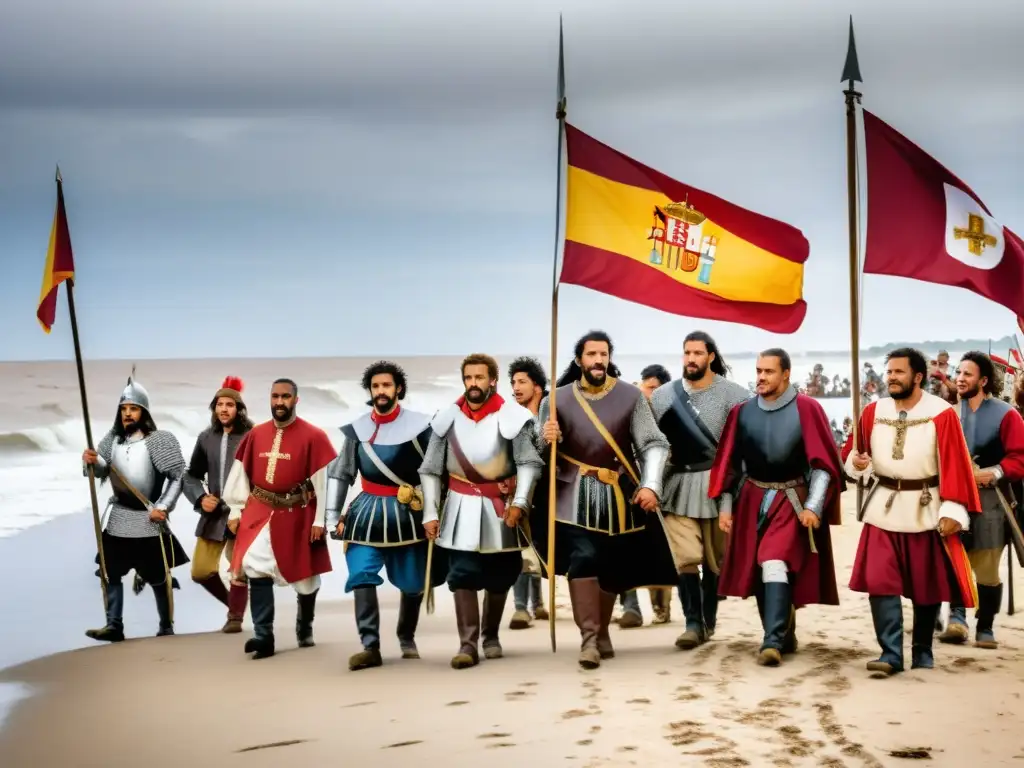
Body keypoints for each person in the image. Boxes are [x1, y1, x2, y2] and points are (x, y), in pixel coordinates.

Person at [538, 330, 675, 670]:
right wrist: (546, 439)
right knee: (583, 558)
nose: (598, 360)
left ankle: (600, 633)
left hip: (617, 495)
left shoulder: (630, 397)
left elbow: (654, 443)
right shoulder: (554, 400)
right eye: (591, 354)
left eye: (603, 354)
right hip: (571, 498)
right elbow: (539, 459)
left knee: (610, 566)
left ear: (609, 358)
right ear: (579, 360)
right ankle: (588, 639)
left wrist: (651, 484)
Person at [843, 348, 980, 676]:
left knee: (925, 585)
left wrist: (953, 509)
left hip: (924, 506)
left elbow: (955, 464)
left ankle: (922, 650)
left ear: (918, 377)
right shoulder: (872, 411)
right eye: (889, 372)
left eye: (899, 372)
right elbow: (855, 456)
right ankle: (890, 653)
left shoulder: (942, 413)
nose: (891, 377)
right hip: (882, 507)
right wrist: (858, 463)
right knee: (880, 581)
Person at [708, 348, 842, 667]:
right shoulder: (742, 412)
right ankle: (782, 633)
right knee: (758, 571)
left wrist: (813, 505)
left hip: (791, 498)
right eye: (758, 371)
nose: (761, 378)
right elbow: (732, 465)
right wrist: (726, 507)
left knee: (774, 561)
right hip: (751, 497)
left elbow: (823, 464)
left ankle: (772, 640)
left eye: (769, 372)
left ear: (786, 374)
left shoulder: (807, 408)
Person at [419, 353, 543, 669]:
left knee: (501, 576)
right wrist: (430, 513)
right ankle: (468, 643)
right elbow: (431, 469)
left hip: (499, 508)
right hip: (459, 508)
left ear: (492, 381)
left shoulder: (512, 416)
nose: (473, 384)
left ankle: (490, 636)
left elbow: (528, 464)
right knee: (462, 574)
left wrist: (519, 504)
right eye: (468, 378)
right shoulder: (446, 418)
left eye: (479, 378)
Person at [326, 361, 437, 670]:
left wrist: (431, 512)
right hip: (366, 512)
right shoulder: (357, 430)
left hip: (408, 513)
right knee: (361, 574)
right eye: (376, 386)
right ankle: (370, 645)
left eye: (386, 385)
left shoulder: (421, 426)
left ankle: (406, 637)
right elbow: (341, 473)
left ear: (398, 388)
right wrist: (332, 515)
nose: (381, 391)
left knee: (413, 583)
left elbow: (431, 472)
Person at [223, 378, 337, 660]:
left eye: (285, 397)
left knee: (306, 577)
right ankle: (264, 635)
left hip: (298, 512)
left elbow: (322, 484)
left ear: (295, 400)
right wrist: (237, 510)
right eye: (275, 396)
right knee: (255, 566)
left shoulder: (314, 436)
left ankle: (305, 625)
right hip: (261, 509)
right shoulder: (256, 434)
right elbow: (241, 474)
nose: (279, 402)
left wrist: (319, 521)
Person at [650, 331, 750, 650]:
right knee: (686, 558)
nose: (691, 358)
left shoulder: (735, 395)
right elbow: (650, 443)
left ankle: (707, 620)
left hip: (718, 486)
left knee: (714, 561)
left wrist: (733, 496)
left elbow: (742, 449)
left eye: (697, 353)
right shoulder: (663, 396)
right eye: (686, 352)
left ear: (710, 356)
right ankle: (692, 623)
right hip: (676, 485)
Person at [82, 372, 190, 641]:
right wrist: (92, 462)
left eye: (133, 409)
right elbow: (101, 472)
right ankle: (114, 625)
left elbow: (179, 476)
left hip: (148, 519)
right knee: (110, 572)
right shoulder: (113, 440)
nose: (127, 414)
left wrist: (163, 507)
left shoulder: (159, 440)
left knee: (158, 576)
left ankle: (166, 626)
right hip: (118, 516)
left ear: (144, 412)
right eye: (123, 409)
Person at [936, 352, 1024, 648]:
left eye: (967, 374)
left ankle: (985, 626)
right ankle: (957, 620)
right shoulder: (945, 413)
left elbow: (1019, 458)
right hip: (952, 497)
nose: (960, 379)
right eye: (958, 373)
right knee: (953, 558)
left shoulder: (1006, 414)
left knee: (986, 566)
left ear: (983, 380)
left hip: (992, 499)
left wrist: (991, 473)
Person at [182, 376, 254, 633]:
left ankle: (235, 617)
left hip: (244, 514)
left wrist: (253, 509)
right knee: (200, 571)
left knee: (239, 569)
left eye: (229, 404)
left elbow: (264, 476)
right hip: (213, 514)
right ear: (214, 408)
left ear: (238, 409)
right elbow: (191, 475)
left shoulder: (253, 436)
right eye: (219, 404)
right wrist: (201, 498)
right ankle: (234, 605)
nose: (224, 409)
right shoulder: (206, 438)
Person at [507, 356, 550, 630]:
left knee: (541, 546)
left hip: (553, 489)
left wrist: (553, 436)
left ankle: (538, 603)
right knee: (522, 546)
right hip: (520, 490)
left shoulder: (553, 412)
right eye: (513, 382)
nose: (516, 387)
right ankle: (522, 608)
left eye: (522, 381)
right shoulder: (512, 418)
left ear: (537, 386)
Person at [636, 363, 674, 626]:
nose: (648, 393)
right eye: (645, 386)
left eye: (653, 388)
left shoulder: (670, 417)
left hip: (667, 491)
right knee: (647, 552)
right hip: (638, 489)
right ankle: (655, 607)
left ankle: (665, 607)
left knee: (667, 553)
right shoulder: (634, 413)